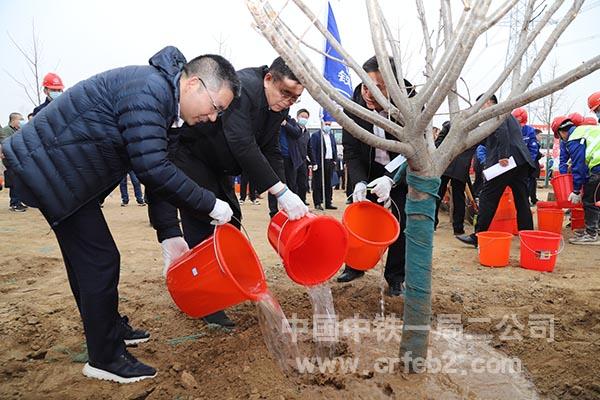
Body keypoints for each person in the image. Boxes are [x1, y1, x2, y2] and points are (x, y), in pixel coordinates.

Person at [1, 46, 241, 383]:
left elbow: (158, 173)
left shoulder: (166, 107)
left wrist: (168, 233)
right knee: (99, 260)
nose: (213, 118)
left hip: (63, 172)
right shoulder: (150, 92)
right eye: (216, 107)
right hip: (50, 168)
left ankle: (107, 329)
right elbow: (153, 168)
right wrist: (209, 203)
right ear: (194, 85)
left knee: (88, 259)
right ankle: (105, 356)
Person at [147, 57, 308, 328]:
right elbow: (242, 143)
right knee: (205, 220)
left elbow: (269, 149)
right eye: (285, 93)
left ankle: (225, 283)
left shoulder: (278, 108)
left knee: (231, 219)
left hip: (220, 165)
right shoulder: (244, 89)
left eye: (296, 98)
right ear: (269, 78)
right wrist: (279, 191)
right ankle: (204, 299)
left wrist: (283, 193)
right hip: (194, 156)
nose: (288, 102)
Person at [337, 55, 415, 297]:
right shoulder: (356, 102)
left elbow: (416, 148)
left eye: (379, 88)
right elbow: (350, 149)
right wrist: (358, 180)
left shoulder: (411, 101)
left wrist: (392, 178)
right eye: (366, 86)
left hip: (401, 169)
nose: (370, 94)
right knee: (361, 219)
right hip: (369, 170)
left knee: (401, 222)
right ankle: (355, 265)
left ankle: (395, 277)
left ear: (394, 86)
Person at [456, 94, 535, 247]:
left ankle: (478, 236)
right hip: (520, 161)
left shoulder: (496, 111)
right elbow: (490, 139)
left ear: (488, 102)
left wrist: (503, 155)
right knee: (522, 201)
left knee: (487, 197)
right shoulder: (508, 114)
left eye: (480, 104)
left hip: (506, 162)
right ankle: (528, 238)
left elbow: (502, 132)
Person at [552, 117, 600, 244]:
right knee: (597, 198)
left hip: (598, 166)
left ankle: (592, 234)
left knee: (590, 200)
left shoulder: (574, 138)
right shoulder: (582, 131)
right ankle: (594, 230)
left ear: (562, 132)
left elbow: (579, 165)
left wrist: (576, 190)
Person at [434, 121, 476, 235]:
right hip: (461, 167)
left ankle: (432, 224)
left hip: (445, 163)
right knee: (459, 197)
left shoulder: (448, 125)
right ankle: (458, 229)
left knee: (437, 194)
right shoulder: (475, 128)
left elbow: (437, 143)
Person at [512, 107, 541, 205]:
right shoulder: (509, 130)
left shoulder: (529, 131)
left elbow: (533, 149)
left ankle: (525, 201)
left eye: (521, 125)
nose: (519, 127)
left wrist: (529, 163)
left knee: (525, 185)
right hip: (512, 164)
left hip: (524, 164)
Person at [0, 113, 27, 211]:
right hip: (9, 159)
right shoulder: (6, 130)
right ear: (13, 120)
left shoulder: (17, 130)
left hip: (16, 158)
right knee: (14, 181)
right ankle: (15, 203)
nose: (21, 121)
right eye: (20, 119)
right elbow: (6, 143)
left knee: (18, 181)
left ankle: (18, 201)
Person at [310, 120, 338, 210]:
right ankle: (317, 203)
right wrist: (314, 162)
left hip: (329, 162)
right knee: (317, 183)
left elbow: (334, 148)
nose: (327, 126)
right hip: (319, 162)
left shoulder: (332, 136)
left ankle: (328, 202)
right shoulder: (316, 136)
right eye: (326, 124)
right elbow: (312, 150)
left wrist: (335, 160)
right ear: (322, 124)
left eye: (329, 124)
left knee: (329, 184)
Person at [295, 108, 312, 205]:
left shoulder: (307, 132)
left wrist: (313, 162)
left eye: (306, 117)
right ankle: (295, 201)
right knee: (294, 183)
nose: (304, 119)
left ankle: (302, 200)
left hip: (303, 160)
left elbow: (309, 148)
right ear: (297, 117)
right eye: (302, 117)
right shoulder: (293, 129)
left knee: (303, 182)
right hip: (293, 160)